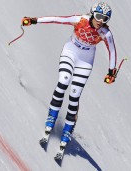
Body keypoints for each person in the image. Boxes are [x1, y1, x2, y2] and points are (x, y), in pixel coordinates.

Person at [22, 2, 117, 145]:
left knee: (74, 94)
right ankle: (51, 117)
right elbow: (57, 19)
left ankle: (68, 128)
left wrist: (111, 71)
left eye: (105, 19)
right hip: (71, 52)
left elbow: (112, 50)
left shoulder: (105, 32)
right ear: (92, 14)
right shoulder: (80, 20)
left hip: (85, 61)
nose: (100, 22)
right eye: (98, 17)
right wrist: (34, 20)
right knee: (63, 81)